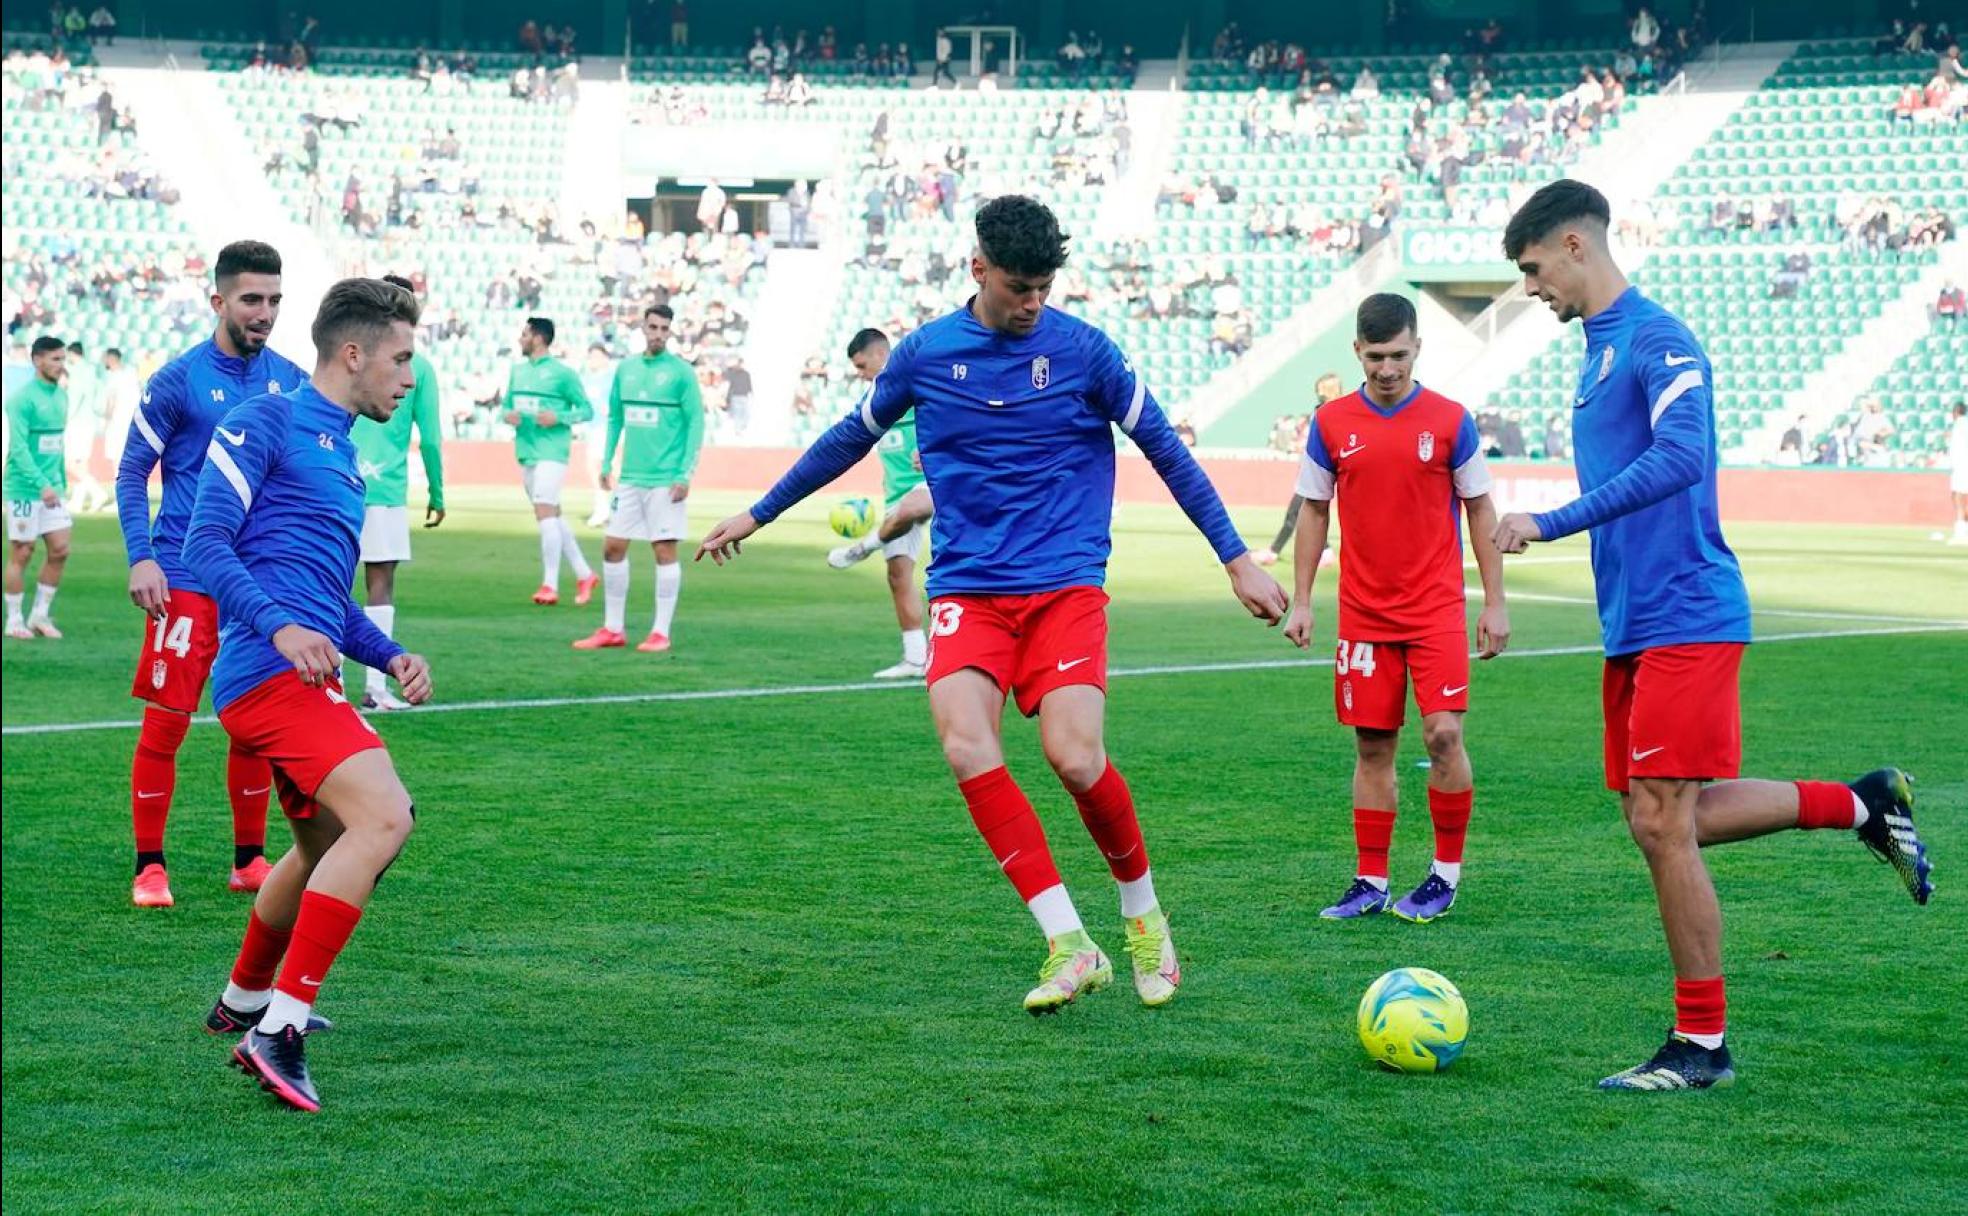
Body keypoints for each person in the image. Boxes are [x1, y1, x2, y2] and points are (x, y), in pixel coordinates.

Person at [697, 196, 1289, 1014]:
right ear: (979, 270)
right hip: (970, 591)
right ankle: (1068, 943)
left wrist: (1234, 560)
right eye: (1019, 287)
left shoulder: (1085, 353)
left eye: (1045, 286)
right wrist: (758, 513)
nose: (1033, 302)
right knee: (966, 744)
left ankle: (1143, 918)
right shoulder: (927, 354)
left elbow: (1166, 450)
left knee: (1074, 758)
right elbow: (847, 437)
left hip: (1064, 587)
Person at [1492, 180, 1933, 1092]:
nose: (1531, 289)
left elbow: (1685, 455)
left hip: (1688, 612)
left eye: (1533, 269)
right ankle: (1863, 804)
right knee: (1659, 818)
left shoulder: (1658, 338)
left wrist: (1555, 520)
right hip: (1635, 624)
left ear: (1575, 245)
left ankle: (1702, 1046)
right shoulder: (1597, 350)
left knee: (1662, 821)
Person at [184, 277, 431, 1113]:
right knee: (386, 817)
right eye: (401, 360)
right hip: (267, 673)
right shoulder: (268, 419)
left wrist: (389, 652)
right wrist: (279, 628)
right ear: (353, 354)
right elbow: (204, 543)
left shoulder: (342, 451)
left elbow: (325, 602)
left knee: (325, 845)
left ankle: (246, 999)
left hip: (298, 671)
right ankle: (279, 1031)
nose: (409, 378)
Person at [1284, 294, 1510, 923]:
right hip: (1362, 615)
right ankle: (1371, 879)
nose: (1388, 368)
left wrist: (1494, 603)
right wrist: (1303, 602)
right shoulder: (1331, 423)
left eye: (1400, 355)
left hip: (1435, 610)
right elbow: (1313, 510)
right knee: (1373, 747)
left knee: (1443, 734)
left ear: (1417, 349)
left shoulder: (1449, 419)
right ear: (1358, 350)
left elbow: (1480, 509)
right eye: (1377, 356)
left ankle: (1444, 875)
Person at [116, 241, 310, 908]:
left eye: (275, 300)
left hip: (252, 586)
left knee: (252, 720)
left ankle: (249, 860)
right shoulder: (179, 380)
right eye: (252, 299)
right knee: (168, 722)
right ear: (219, 300)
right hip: (184, 573)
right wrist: (140, 555)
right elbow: (130, 469)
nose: (265, 312)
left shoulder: (291, 378)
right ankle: (150, 866)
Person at [573, 305, 702, 653]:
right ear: (643, 328)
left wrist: (684, 473)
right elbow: (616, 416)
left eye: (664, 328)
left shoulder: (681, 373)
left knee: (663, 550)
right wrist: (606, 461)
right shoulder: (626, 369)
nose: (658, 333)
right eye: (653, 327)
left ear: (670, 332)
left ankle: (661, 632)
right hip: (630, 476)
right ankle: (613, 628)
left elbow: (696, 425)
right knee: (613, 546)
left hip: (665, 479)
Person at [350, 275, 445, 711]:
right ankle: (375, 688)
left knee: (319, 581)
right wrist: (437, 492)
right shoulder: (418, 367)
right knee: (380, 587)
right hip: (383, 486)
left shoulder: (350, 352)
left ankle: (316, 684)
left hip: (337, 480)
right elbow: (429, 437)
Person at [824, 327, 936, 679]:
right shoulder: (873, 401)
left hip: (934, 480)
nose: (860, 374)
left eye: (861, 365)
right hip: (896, 491)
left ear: (880, 355)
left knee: (914, 512)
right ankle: (916, 658)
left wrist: (934, 449)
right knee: (898, 574)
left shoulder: (919, 385)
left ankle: (864, 546)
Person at [504, 317, 598, 606]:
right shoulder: (517, 372)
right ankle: (585, 574)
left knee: (545, 511)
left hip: (553, 451)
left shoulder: (563, 374)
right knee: (551, 516)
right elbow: (507, 405)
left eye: (524, 333)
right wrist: (508, 415)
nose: (520, 339)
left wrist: (559, 417)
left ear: (539, 338)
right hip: (527, 450)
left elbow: (587, 410)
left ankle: (550, 584)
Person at [5, 336, 71, 641]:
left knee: (60, 549)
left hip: (51, 489)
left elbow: (55, 446)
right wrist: (42, 484)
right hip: (23, 488)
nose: (61, 365)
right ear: (37, 360)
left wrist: (59, 482)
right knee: (22, 552)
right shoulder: (21, 399)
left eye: (63, 359)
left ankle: (39, 615)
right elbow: (19, 449)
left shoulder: (61, 396)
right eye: (55, 359)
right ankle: (14, 619)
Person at [1252, 371, 1344, 565]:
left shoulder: (1331, 412)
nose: (1317, 392)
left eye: (1320, 389)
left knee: (1297, 510)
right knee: (1310, 509)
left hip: (1320, 469)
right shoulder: (1330, 410)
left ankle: (1274, 551)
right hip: (1320, 467)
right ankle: (1325, 551)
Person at [1947, 401, 1968, 545]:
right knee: (1956, 496)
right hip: (1960, 466)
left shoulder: (1960, 425)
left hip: (1962, 466)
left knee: (1958, 497)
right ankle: (1962, 528)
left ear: (1955, 412)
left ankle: (1961, 531)